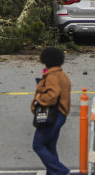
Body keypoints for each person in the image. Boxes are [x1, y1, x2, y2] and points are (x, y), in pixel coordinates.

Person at [31, 47, 71, 175]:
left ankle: (61, 170)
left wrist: (39, 100)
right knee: (50, 146)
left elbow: (52, 95)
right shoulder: (62, 75)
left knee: (38, 145)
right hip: (61, 114)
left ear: (45, 60)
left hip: (53, 115)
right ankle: (53, 173)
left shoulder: (52, 76)